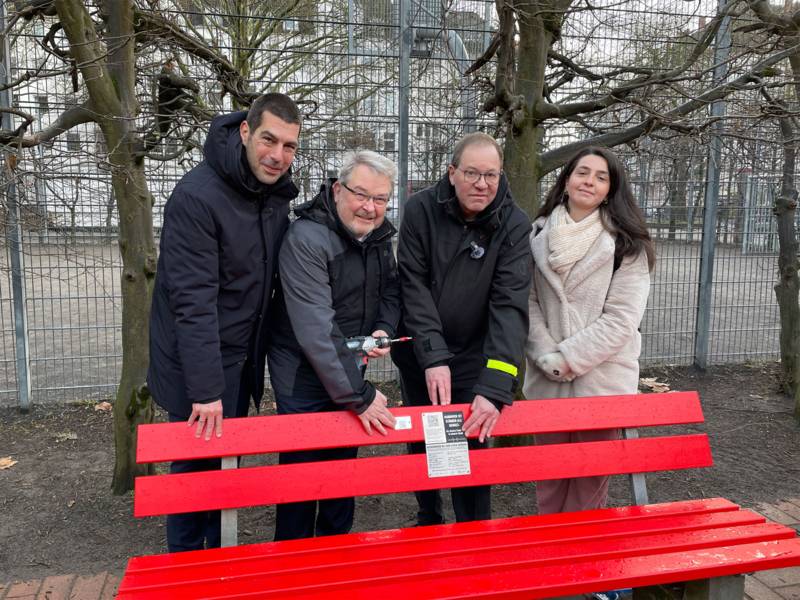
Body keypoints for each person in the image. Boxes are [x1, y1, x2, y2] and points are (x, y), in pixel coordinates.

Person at [147, 93, 302, 552]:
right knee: (194, 473)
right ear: (244, 132)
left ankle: (216, 561)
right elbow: (191, 303)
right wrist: (206, 391)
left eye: (289, 146)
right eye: (268, 140)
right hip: (199, 366)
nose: (277, 155)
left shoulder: (271, 193)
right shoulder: (198, 197)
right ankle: (185, 570)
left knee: (223, 469)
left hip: (238, 358)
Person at [391, 132, 532, 526]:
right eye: (471, 173)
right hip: (421, 350)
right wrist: (432, 356)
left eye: (491, 174)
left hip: (476, 352)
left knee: (471, 444)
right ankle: (429, 518)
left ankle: (474, 532)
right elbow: (413, 287)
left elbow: (509, 306)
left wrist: (494, 387)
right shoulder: (420, 210)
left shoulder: (515, 224)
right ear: (452, 172)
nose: (482, 184)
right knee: (425, 437)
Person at [267, 150, 399, 540]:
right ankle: (292, 558)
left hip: (349, 367)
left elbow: (391, 289)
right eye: (361, 194)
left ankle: (335, 553)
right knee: (301, 474)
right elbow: (316, 330)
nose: (370, 207)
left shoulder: (378, 235)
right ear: (338, 189)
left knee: (342, 468)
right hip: (302, 374)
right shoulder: (306, 238)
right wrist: (358, 395)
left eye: (380, 199)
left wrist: (382, 329)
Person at [523, 146, 655, 517]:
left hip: (602, 384)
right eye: (583, 172)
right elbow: (527, 304)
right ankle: (553, 562)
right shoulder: (535, 235)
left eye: (601, 177)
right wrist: (547, 356)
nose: (590, 182)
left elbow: (621, 319)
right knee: (549, 482)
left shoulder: (628, 245)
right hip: (547, 382)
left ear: (610, 190)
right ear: (566, 180)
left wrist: (567, 358)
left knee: (589, 489)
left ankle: (585, 567)